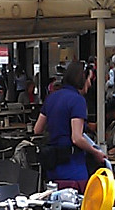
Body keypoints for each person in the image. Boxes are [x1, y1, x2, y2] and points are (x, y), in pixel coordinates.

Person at [34, 61, 107, 193]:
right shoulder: (78, 100)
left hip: (53, 165)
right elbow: (77, 138)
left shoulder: (51, 97)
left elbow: (37, 129)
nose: (90, 84)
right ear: (82, 79)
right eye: (89, 79)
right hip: (73, 166)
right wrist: (96, 152)